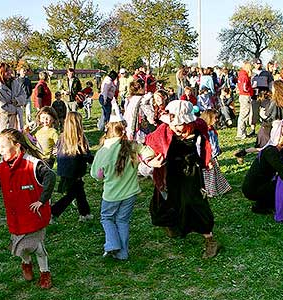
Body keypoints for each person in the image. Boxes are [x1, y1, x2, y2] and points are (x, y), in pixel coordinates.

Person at [144, 100, 219, 258]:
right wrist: (151, 161)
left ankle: (209, 239)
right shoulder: (162, 131)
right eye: (175, 124)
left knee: (193, 201)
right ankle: (173, 225)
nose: (178, 127)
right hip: (169, 171)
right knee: (164, 202)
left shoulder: (198, 126)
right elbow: (146, 148)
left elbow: (204, 143)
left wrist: (206, 160)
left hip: (190, 170)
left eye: (181, 123)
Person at [0, 128, 56, 289]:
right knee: (22, 248)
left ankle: (45, 273)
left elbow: (50, 176)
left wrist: (42, 200)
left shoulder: (33, 164)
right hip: (16, 218)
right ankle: (25, 263)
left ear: (17, 146)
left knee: (37, 247)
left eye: (3, 146)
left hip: (34, 215)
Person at [90, 113, 140, 260]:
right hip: (130, 193)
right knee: (122, 220)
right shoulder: (133, 146)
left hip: (111, 195)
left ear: (107, 130)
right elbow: (148, 153)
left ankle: (112, 244)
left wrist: (103, 175)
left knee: (107, 218)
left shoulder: (102, 152)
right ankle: (123, 252)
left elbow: (96, 175)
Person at [242, 120, 283, 214]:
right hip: (252, 189)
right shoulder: (270, 152)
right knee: (280, 182)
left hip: (260, 184)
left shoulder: (276, 149)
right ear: (282, 137)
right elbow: (282, 168)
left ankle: (268, 202)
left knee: (278, 181)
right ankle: (260, 206)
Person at [52, 112, 93, 223]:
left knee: (79, 191)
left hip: (64, 170)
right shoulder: (80, 139)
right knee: (71, 194)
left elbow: (57, 152)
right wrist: (93, 160)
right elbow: (86, 155)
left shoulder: (62, 138)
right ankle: (53, 211)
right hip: (75, 171)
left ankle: (85, 213)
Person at [200, 109, 232, 197]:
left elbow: (214, 142)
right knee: (210, 175)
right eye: (215, 118)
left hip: (213, 154)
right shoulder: (204, 131)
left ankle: (220, 188)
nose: (216, 120)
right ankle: (210, 191)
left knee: (216, 173)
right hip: (208, 156)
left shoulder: (211, 129)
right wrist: (208, 157)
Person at [0, 62, 27, 135]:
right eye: (6, 71)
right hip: (5, 123)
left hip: (18, 121)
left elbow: (23, 95)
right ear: (0, 73)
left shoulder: (16, 83)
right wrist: (16, 109)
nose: (9, 72)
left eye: (9, 70)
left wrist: (17, 101)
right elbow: (1, 107)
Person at [236, 61, 254, 140]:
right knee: (244, 115)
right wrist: (250, 90)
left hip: (242, 95)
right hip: (245, 96)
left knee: (243, 114)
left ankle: (242, 132)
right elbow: (244, 87)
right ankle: (241, 133)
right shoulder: (244, 76)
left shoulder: (241, 74)